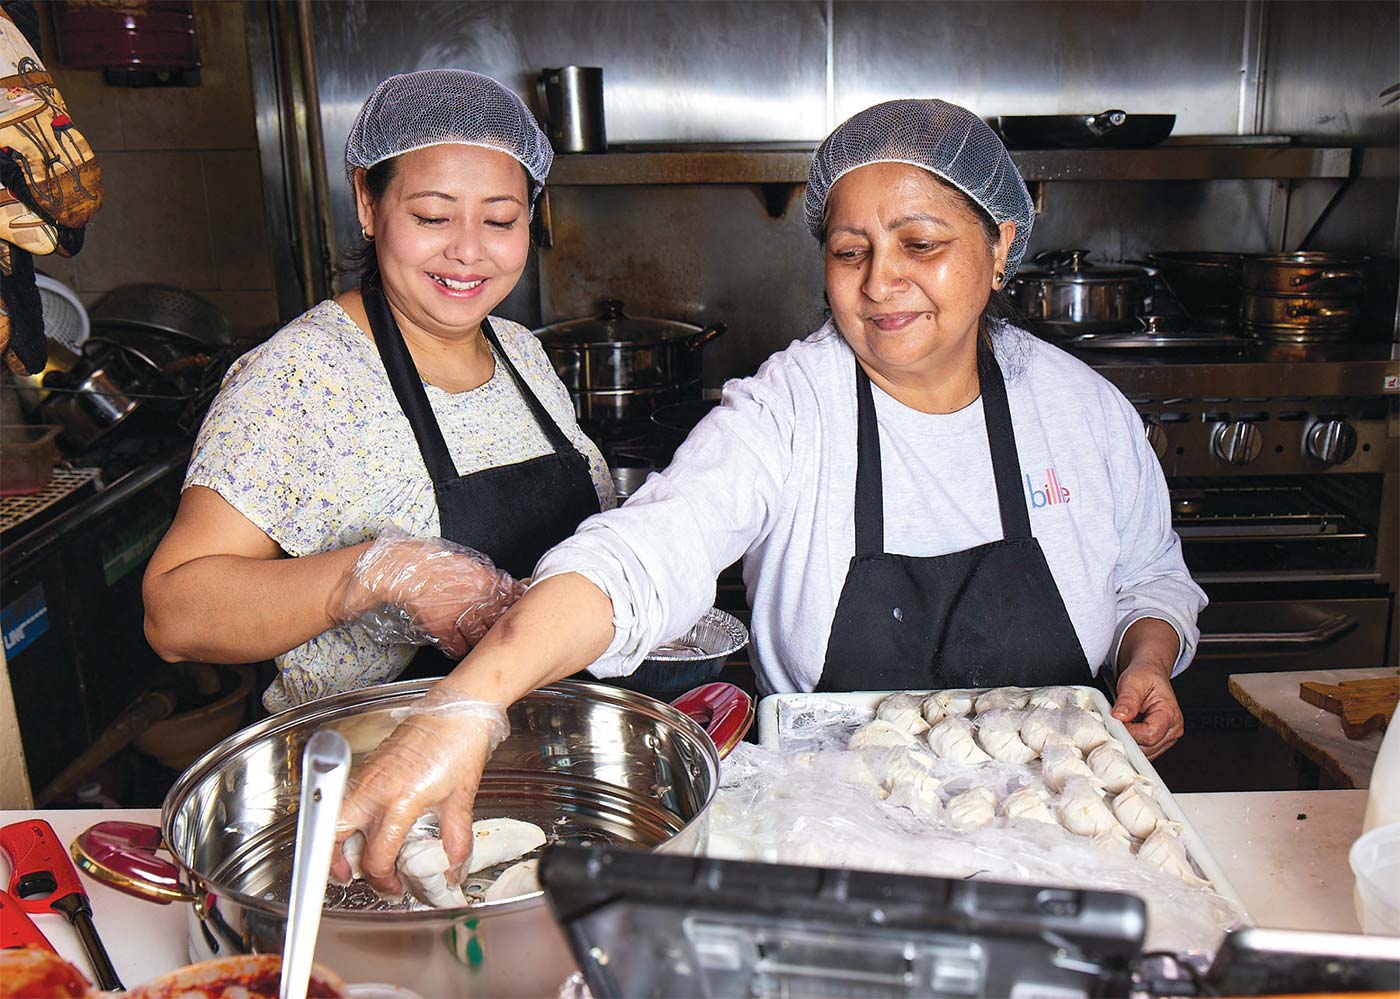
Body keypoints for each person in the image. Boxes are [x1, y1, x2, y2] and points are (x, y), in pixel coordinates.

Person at [333, 99, 1205, 894]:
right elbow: (643, 553)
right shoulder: (791, 410)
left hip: (1071, 843)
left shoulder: (1081, 411)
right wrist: (466, 704)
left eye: (923, 244)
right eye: (850, 251)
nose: (880, 281)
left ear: (1001, 244)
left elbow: (1149, 577)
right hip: (843, 849)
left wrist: (1147, 659)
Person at [142, 70, 613, 712]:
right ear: (368, 204)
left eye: (500, 220)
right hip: (374, 765)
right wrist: (376, 573)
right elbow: (175, 616)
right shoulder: (302, 377)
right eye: (432, 216)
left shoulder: (522, 351)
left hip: (543, 753)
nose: (468, 250)